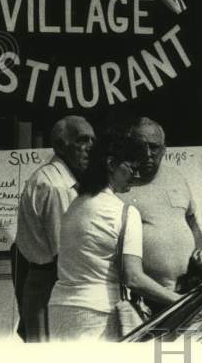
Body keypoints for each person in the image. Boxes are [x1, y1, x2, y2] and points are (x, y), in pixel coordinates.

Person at [48, 134, 180, 341]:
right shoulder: (124, 213)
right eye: (132, 168)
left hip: (60, 308)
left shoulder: (73, 207)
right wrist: (181, 300)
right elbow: (133, 277)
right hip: (99, 312)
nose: (136, 177)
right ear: (111, 164)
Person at [12, 114, 95, 342]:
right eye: (82, 141)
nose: (90, 148)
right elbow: (66, 254)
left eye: (92, 142)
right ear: (60, 145)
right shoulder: (57, 186)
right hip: (50, 288)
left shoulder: (56, 179)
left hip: (47, 286)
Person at [116, 118, 202, 313]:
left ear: (164, 149)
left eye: (154, 147)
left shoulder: (176, 177)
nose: (147, 154)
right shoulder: (120, 185)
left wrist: (200, 255)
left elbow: (192, 223)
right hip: (145, 299)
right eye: (140, 147)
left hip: (186, 292)